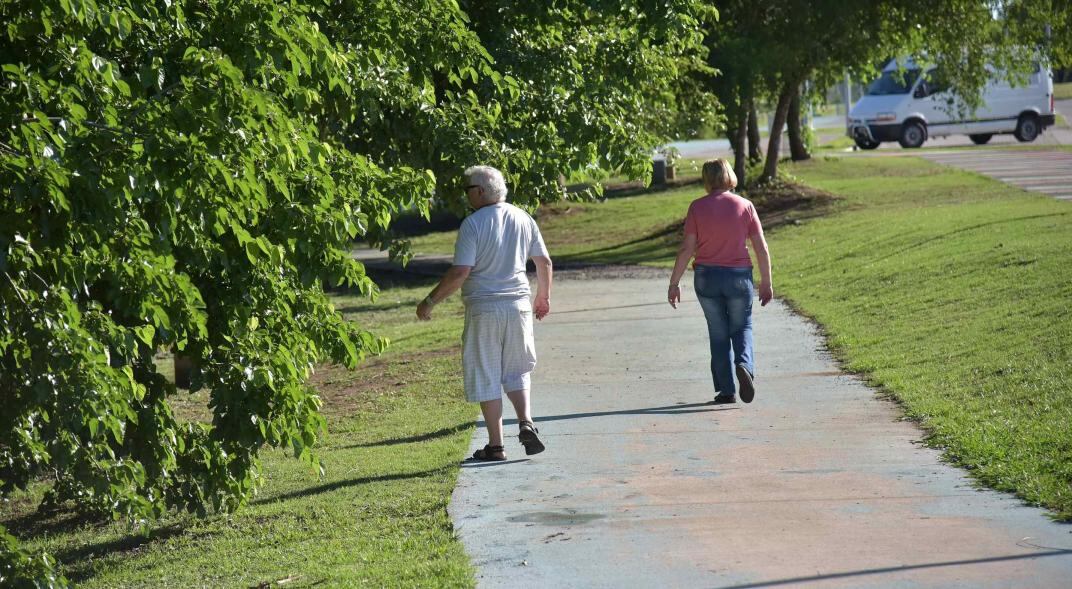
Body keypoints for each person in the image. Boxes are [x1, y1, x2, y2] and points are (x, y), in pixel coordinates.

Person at [416, 165, 553, 461]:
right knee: (517, 370)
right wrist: (542, 297)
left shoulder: (473, 224)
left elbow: (461, 272)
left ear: (479, 191)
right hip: (518, 307)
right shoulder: (523, 217)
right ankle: (526, 421)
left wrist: (430, 301)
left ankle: (496, 445)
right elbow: (544, 261)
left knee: (487, 373)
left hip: (484, 309)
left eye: (467, 190)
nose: (466, 196)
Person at [667, 159, 773, 404]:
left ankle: (726, 391)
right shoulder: (745, 206)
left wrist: (674, 283)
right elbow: (761, 247)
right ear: (729, 176)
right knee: (742, 326)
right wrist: (766, 281)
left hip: (707, 278)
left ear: (706, 179)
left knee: (718, 334)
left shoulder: (697, 207)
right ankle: (744, 365)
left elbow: (686, 248)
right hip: (738, 277)